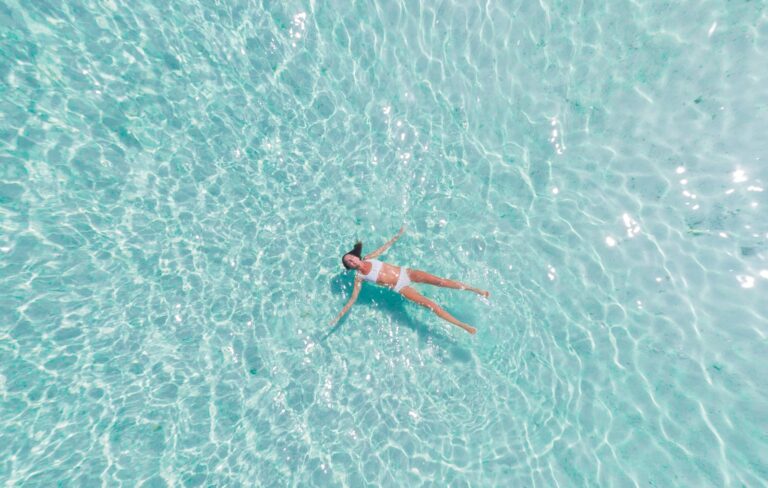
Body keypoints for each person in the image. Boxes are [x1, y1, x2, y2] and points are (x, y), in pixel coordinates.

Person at [329, 226, 489, 334]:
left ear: (355, 256)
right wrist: (338, 316)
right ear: (350, 267)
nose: (352, 260)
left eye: (351, 257)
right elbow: (352, 299)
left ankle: (476, 290)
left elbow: (384, 247)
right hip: (400, 287)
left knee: (441, 281)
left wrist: (397, 235)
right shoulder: (359, 277)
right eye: (348, 262)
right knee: (432, 306)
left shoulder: (369, 257)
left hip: (407, 273)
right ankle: (463, 326)